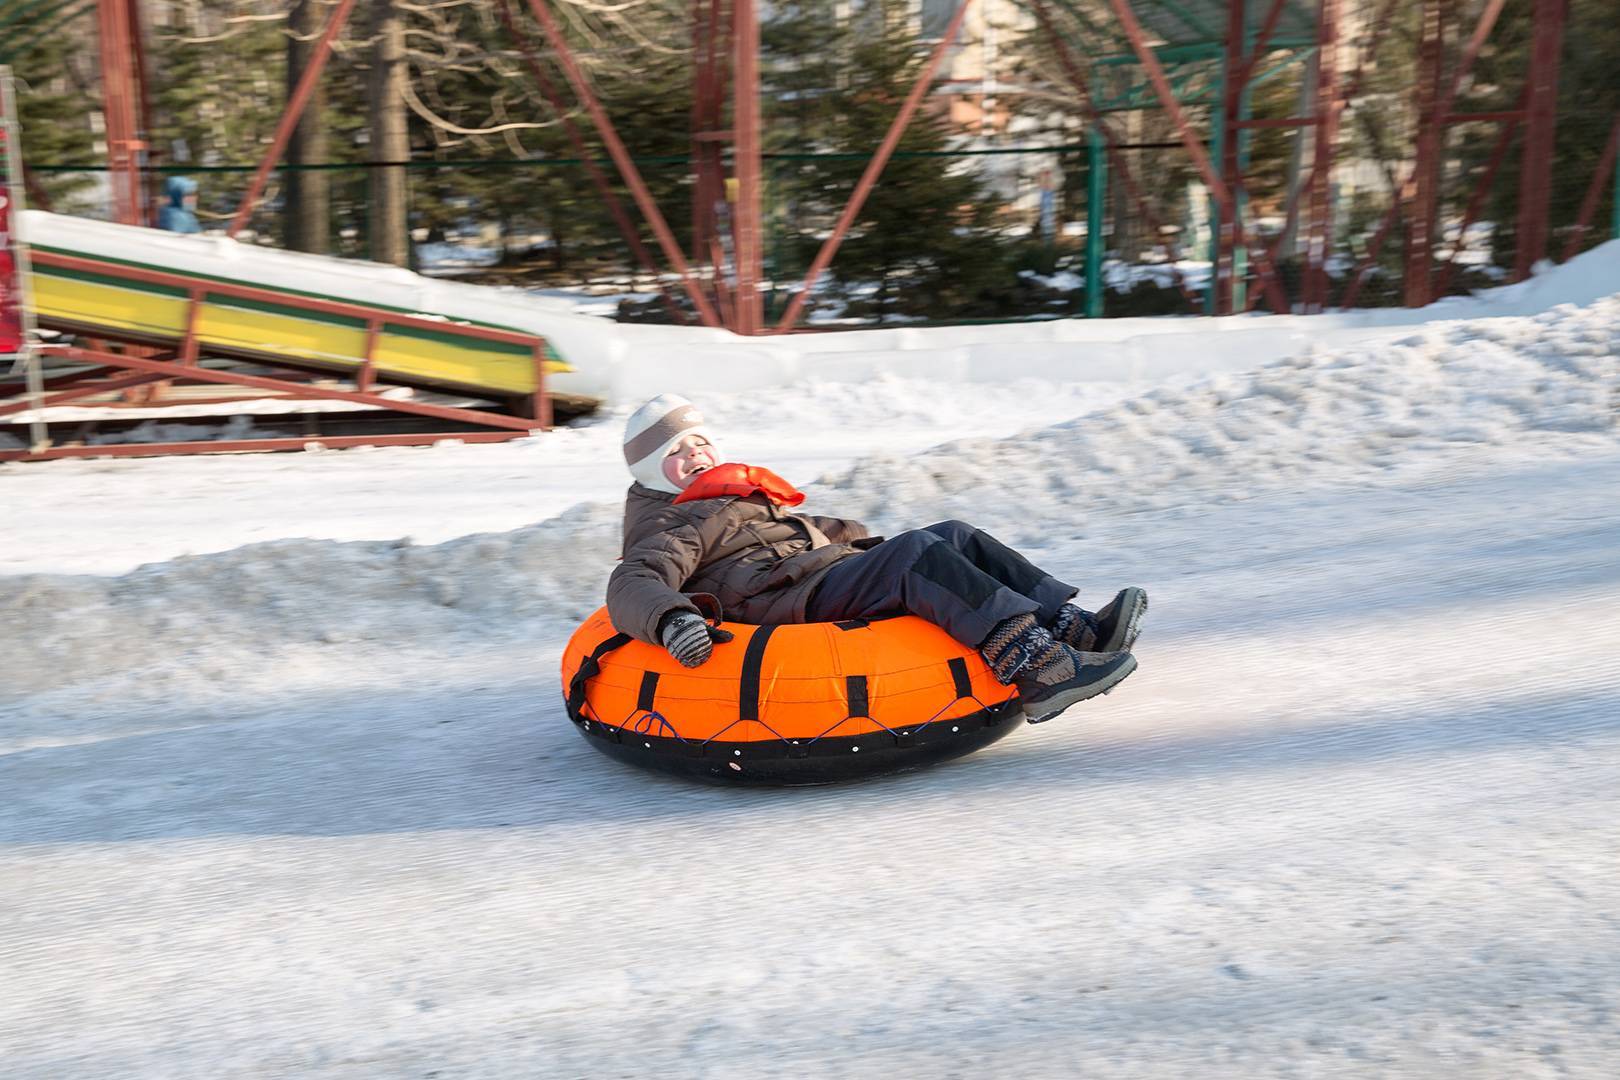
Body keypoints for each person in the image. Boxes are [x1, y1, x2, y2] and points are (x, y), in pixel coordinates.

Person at [606, 394, 1147, 723]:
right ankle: (1037, 668)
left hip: (808, 574)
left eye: (699, 443)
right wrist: (672, 619)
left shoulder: (722, 497)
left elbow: (788, 533)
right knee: (913, 555)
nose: (694, 455)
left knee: (951, 535)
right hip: (779, 599)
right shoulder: (666, 520)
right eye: (675, 452)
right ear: (651, 470)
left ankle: (1073, 628)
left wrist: (853, 536)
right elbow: (634, 578)